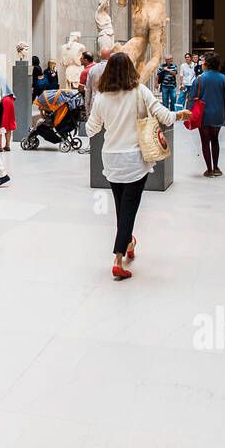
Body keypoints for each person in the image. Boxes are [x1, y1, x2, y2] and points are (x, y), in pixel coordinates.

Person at [86, 52, 185, 280]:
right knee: (129, 209)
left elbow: (92, 128)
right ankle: (118, 258)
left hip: (111, 159)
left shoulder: (102, 98)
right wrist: (180, 115)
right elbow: (164, 116)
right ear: (131, 69)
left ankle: (129, 244)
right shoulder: (140, 91)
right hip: (134, 160)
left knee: (122, 207)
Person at [188, 53, 225, 177]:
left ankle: (209, 169)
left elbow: (192, 98)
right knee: (215, 140)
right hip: (217, 113)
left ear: (207, 63)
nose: (201, 63)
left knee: (205, 141)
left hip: (203, 114)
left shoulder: (199, 78)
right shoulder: (223, 79)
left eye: (203, 61)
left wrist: (190, 114)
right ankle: (216, 167)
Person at [0, 67, 17, 151]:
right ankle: (8, 145)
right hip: (10, 99)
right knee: (8, 123)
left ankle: (0, 146)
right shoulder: (2, 76)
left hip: (3, 100)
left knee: (0, 123)